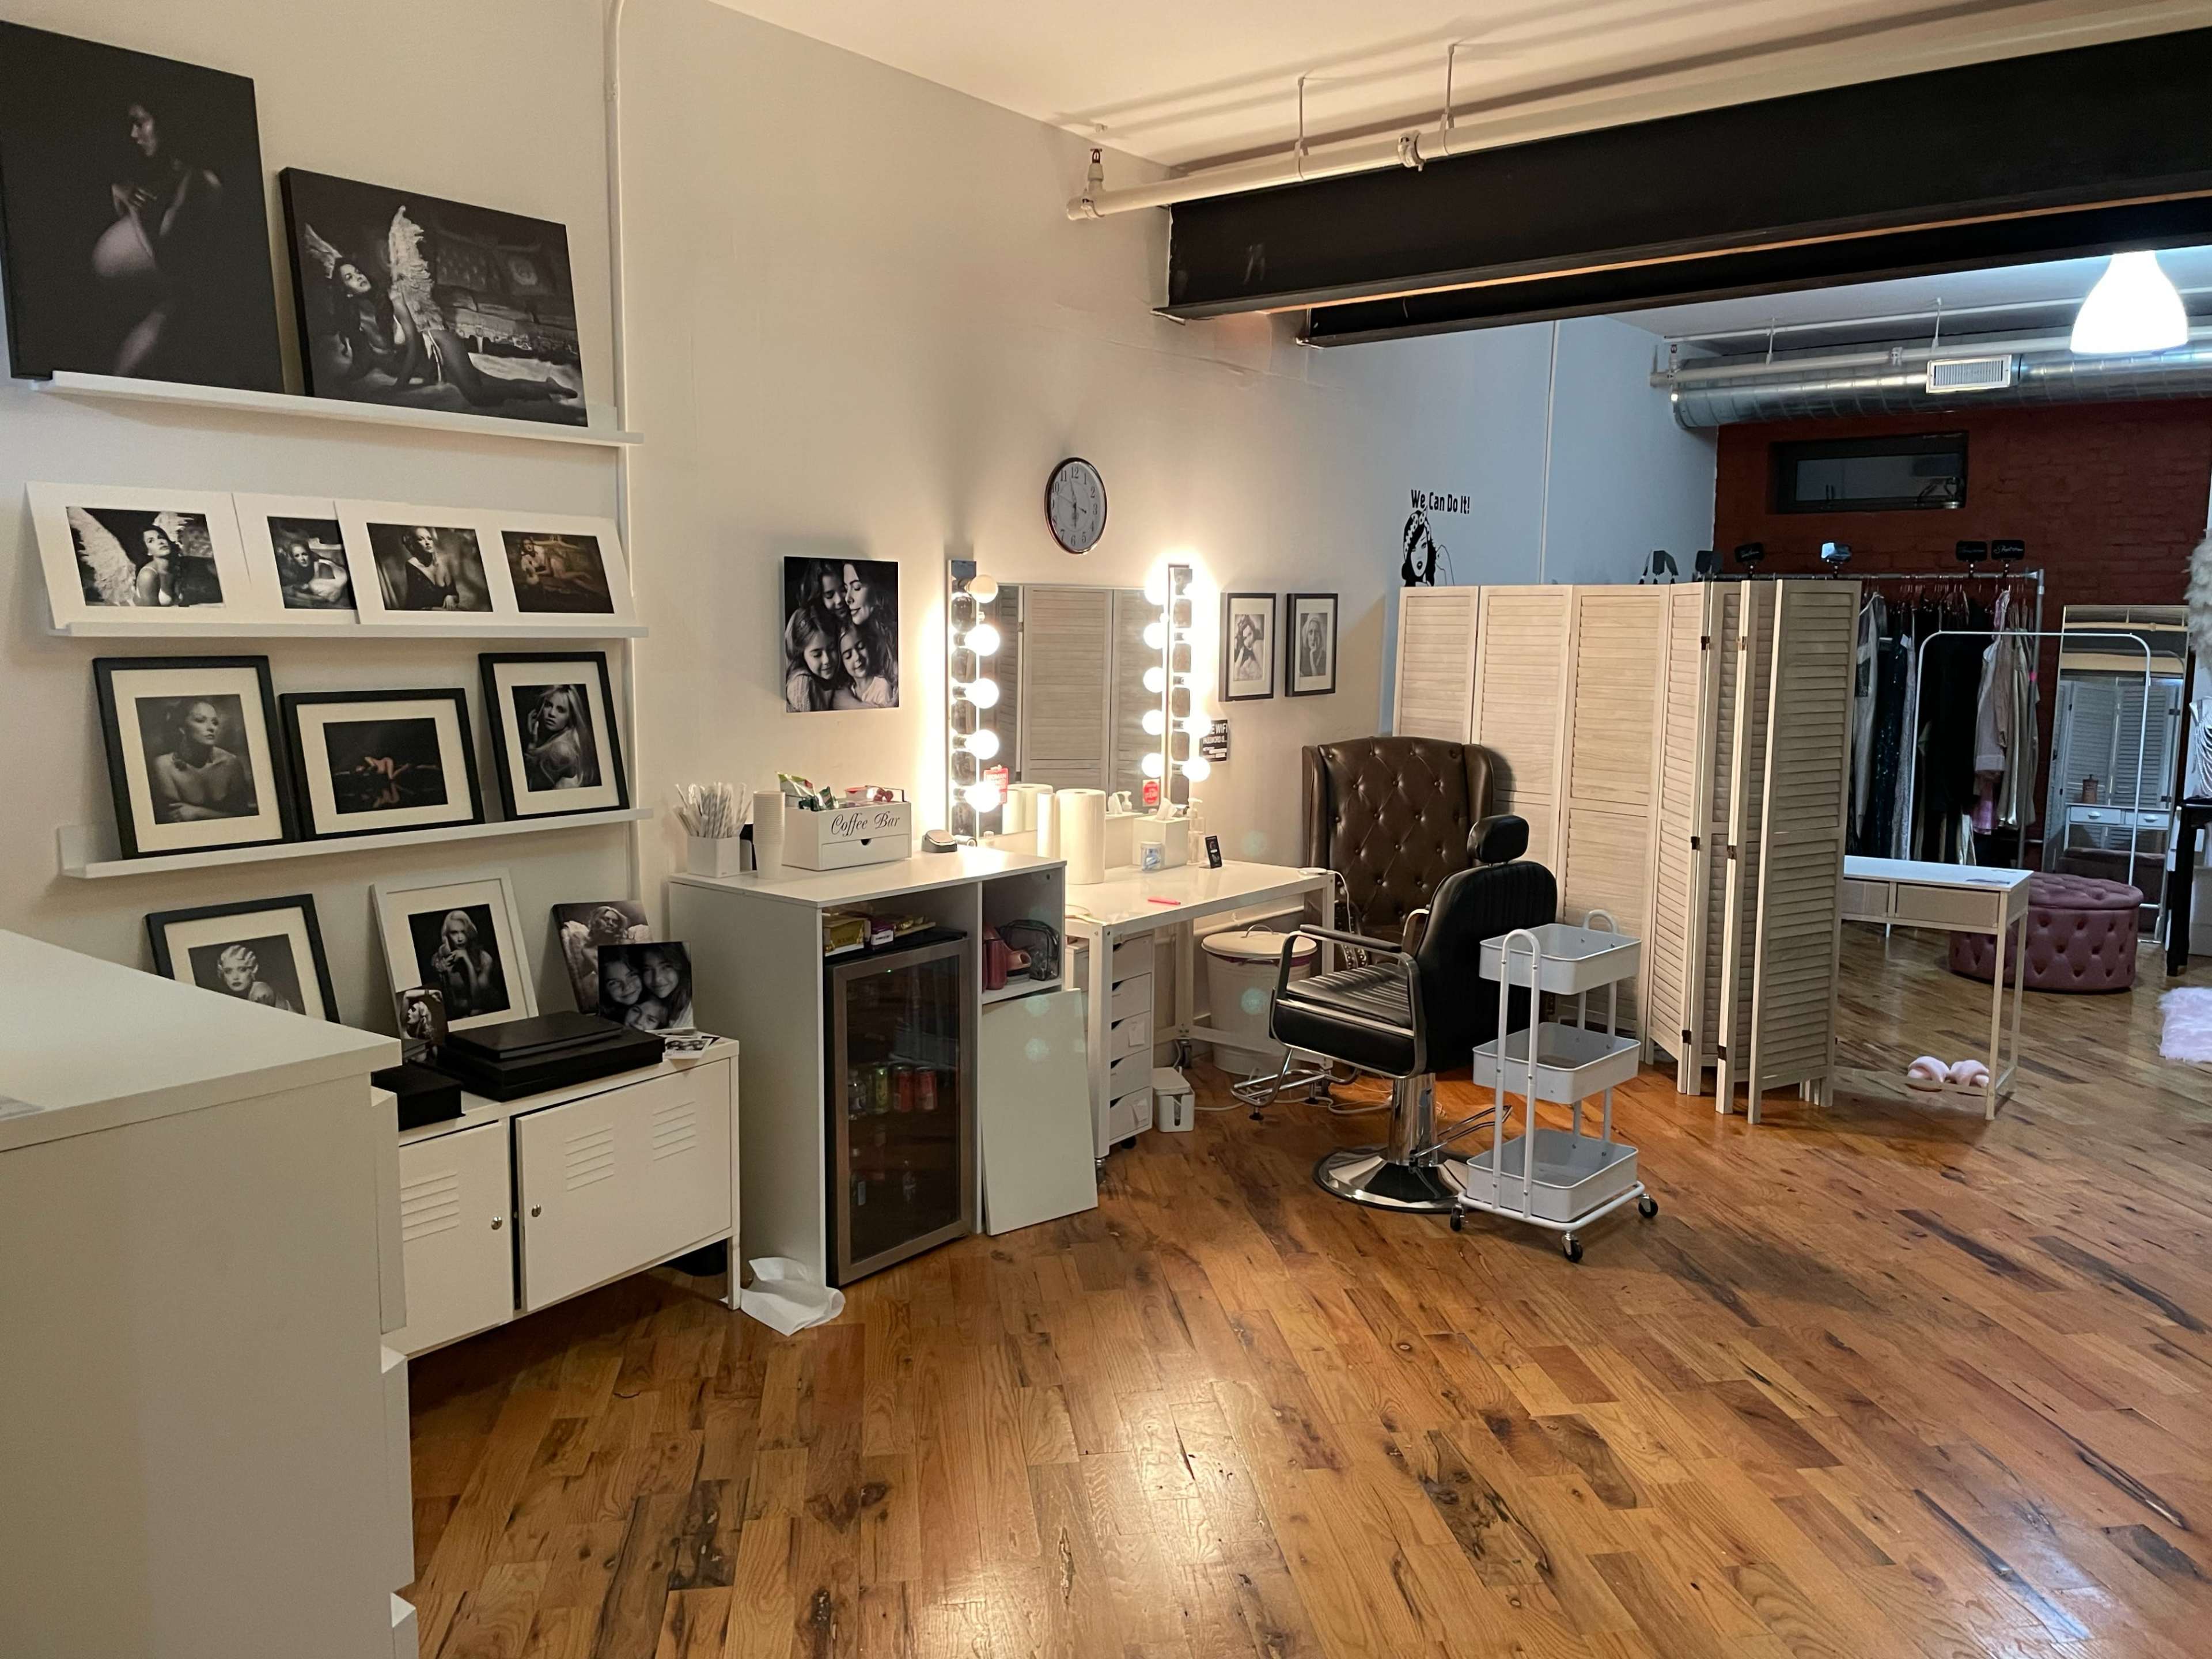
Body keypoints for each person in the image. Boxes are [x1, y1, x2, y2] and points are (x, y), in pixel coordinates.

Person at [301, 209, 579, 414]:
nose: (359, 276)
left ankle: (546, 389)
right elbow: (365, 357)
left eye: (358, 272)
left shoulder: (393, 296)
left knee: (478, 396)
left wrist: (399, 386)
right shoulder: (358, 316)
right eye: (350, 277)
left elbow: (411, 347)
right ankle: (547, 387)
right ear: (345, 290)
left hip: (441, 344)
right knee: (492, 385)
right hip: (433, 364)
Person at [93, 99, 225, 377]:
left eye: (141, 123)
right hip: (131, 312)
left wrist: (134, 209)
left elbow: (171, 263)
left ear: (166, 121)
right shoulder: (165, 176)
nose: (134, 135)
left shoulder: (201, 182)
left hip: (167, 318)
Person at [149, 699, 254, 823]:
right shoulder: (164, 766)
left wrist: (199, 813)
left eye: (215, 722)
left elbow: (245, 817)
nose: (211, 728)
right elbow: (175, 818)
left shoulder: (231, 763)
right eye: (200, 720)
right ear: (182, 727)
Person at [429, 910, 505, 1020]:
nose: (460, 938)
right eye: (454, 933)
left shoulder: (485, 958)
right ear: (447, 936)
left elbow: (478, 1002)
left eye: (463, 932)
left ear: (469, 933)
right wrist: (442, 974)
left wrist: (468, 962)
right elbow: (443, 1003)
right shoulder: (438, 959)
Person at [521, 684, 597, 791]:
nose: (552, 713)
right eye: (548, 705)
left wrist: (531, 744)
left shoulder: (560, 750)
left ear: (571, 717)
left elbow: (531, 790)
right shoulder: (567, 742)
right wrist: (534, 739)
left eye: (561, 710)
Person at [841, 562, 899, 703]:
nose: (848, 598)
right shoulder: (866, 634)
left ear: (877, 586)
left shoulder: (900, 633)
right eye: (846, 588)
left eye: (857, 587)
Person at [211, 944, 296, 1013]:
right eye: (228, 971)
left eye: (242, 970)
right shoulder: (245, 992)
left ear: (253, 970)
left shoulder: (261, 993)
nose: (235, 977)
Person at [785, 610, 839, 711]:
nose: (827, 660)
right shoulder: (801, 684)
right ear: (801, 654)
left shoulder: (827, 679)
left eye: (832, 649)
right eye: (817, 655)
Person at [394, 525, 457, 610]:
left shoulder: (442, 563)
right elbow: (418, 603)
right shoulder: (412, 565)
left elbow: (455, 595)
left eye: (429, 539)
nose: (427, 542)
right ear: (414, 544)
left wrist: (450, 597)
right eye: (421, 539)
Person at [832, 624, 895, 709]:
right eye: (848, 656)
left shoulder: (882, 687)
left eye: (861, 647)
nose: (857, 657)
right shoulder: (849, 690)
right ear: (842, 663)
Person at [639, 945, 693, 1029]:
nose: (657, 979)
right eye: (648, 969)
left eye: (666, 967)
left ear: (680, 967)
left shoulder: (690, 1010)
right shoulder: (648, 1001)